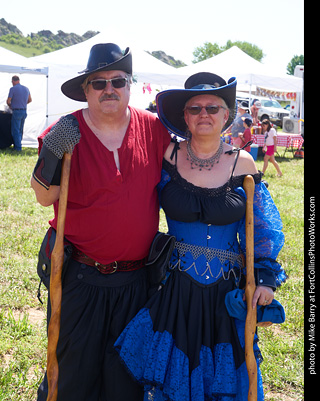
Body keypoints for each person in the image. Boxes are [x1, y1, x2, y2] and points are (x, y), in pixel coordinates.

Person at [115, 72, 287, 401]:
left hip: (226, 292)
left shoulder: (244, 163)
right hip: (175, 289)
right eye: (195, 109)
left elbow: (263, 229)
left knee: (225, 378)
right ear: (185, 117)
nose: (203, 114)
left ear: (227, 115)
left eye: (213, 107)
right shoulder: (166, 157)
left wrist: (265, 279)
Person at [31, 43, 171, 401]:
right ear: (86, 90)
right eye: (99, 83)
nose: (110, 89)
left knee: (126, 378)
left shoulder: (153, 128)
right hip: (80, 277)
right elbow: (44, 196)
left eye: (118, 81)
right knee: (72, 374)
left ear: (130, 86)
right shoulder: (67, 131)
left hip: (138, 281)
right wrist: (51, 152)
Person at [6, 75, 32, 151]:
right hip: (24, 110)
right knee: (20, 129)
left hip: (16, 111)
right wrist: (23, 103)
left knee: (15, 130)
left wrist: (11, 105)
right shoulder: (26, 88)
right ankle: (18, 144)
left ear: (13, 81)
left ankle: (18, 147)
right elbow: (30, 100)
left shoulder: (12, 89)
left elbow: (8, 101)